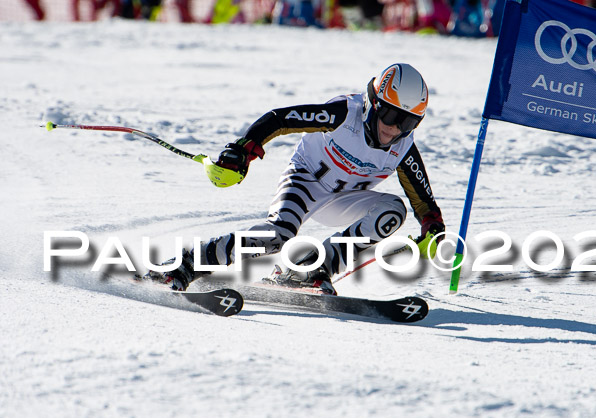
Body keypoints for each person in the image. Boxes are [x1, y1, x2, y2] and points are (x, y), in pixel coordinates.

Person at [146, 63, 444, 294]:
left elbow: (421, 196)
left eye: (408, 122)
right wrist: (245, 148)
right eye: (391, 117)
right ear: (373, 104)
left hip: (343, 199)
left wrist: (433, 226)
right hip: (306, 179)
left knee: (392, 212)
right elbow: (281, 118)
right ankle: (188, 263)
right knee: (279, 234)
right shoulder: (343, 114)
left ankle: (308, 269)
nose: (395, 130)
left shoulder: (403, 144)